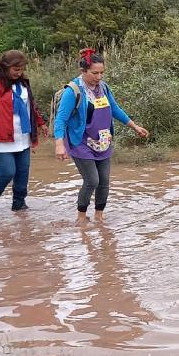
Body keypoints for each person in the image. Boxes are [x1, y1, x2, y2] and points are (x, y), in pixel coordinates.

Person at [53, 48, 149, 224]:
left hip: (103, 140)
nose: (98, 77)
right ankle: (81, 218)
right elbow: (61, 119)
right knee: (92, 181)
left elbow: (114, 109)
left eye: (101, 73)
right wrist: (59, 143)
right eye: (94, 73)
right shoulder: (73, 91)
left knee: (104, 182)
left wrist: (134, 126)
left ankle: (99, 217)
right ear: (83, 71)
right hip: (81, 142)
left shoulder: (103, 87)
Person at [0, 50, 48, 211]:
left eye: (21, 70)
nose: (19, 73)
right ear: (5, 67)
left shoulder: (22, 81)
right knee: (7, 171)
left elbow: (30, 105)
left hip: (22, 136)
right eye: (15, 70)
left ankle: (19, 205)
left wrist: (41, 122)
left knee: (22, 172)